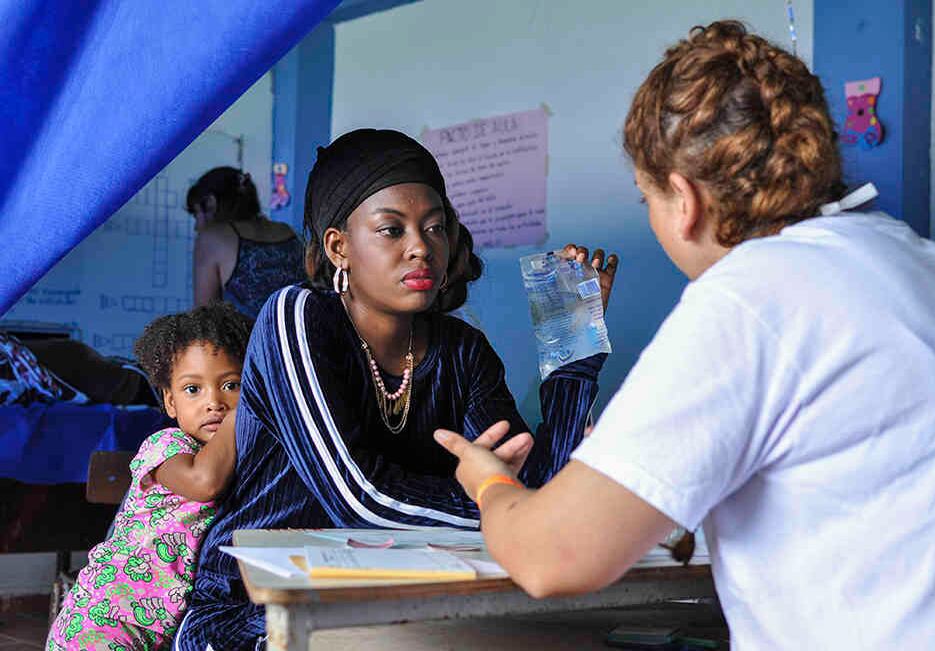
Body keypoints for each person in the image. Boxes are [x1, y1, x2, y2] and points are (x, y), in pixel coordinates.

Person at [435, 21, 935, 650]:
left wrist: (488, 483)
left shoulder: (750, 296)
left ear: (684, 199)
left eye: (645, 198)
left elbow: (551, 557)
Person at [174, 129, 618, 649]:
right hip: (254, 612)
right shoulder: (296, 317)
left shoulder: (463, 351)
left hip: (398, 603)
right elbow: (360, 499)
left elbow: (536, 485)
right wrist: (508, 508)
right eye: (391, 230)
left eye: (435, 228)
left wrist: (573, 349)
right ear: (339, 246)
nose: (420, 248)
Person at [47, 303, 253, 650]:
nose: (214, 402)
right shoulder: (167, 446)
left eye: (231, 385)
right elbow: (205, 483)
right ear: (170, 403)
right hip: (105, 619)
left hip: (158, 628)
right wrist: (238, 413)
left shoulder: (237, 456)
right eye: (193, 390)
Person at [187, 166, 304, 318]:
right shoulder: (289, 232)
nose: (197, 227)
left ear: (211, 203)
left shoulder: (211, 238)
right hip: (299, 338)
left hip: (247, 341)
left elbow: (204, 321)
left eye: (196, 214)